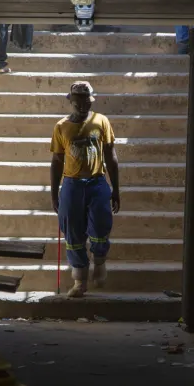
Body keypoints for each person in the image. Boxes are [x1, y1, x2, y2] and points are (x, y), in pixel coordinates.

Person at [50, 81, 121, 298]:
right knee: (72, 231)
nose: (83, 105)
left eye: (86, 101)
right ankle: (80, 279)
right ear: (71, 101)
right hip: (72, 184)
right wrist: (54, 193)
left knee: (101, 226)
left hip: (97, 181)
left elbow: (111, 155)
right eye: (78, 101)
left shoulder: (101, 121)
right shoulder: (61, 126)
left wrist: (116, 189)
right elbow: (56, 160)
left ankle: (99, 261)